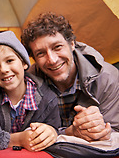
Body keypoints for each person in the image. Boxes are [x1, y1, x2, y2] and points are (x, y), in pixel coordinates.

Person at [21, 12, 119, 143]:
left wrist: (103, 131)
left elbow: (115, 130)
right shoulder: (27, 83)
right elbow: (24, 130)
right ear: (34, 59)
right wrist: (70, 132)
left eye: (57, 47)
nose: (52, 60)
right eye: (41, 53)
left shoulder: (107, 78)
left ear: (72, 44)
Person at [0, 30, 60, 152]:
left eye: (9, 61)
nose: (4, 69)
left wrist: (51, 132)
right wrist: (18, 139)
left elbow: (56, 128)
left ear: (24, 62)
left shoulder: (47, 99)